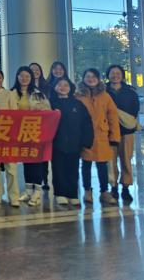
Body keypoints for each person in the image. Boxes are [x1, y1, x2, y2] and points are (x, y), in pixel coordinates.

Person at [76, 68, 120, 205]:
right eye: (88, 76)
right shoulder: (78, 96)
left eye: (94, 77)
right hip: (85, 136)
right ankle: (87, 191)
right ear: (83, 79)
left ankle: (104, 192)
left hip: (102, 135)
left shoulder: (105, 96)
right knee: (86, 165)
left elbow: (113, 117)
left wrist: (114, 137)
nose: (91, 79)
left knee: (102, 165)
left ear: (98, 79)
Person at [10, 66, 51, 206]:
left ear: (31, 78)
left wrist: (41, 109)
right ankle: (28, 191)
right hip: (20, 133)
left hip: (35, 131)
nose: (24, 78)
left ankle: (37, 192)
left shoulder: (38, 93)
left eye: (27, 76)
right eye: (21, 76)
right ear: (17, 77)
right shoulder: (12, 93)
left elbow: (48, 110)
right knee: (26, 160)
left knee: (37, 161)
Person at [49, 78, 94, 206]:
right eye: (59, 85)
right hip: (56, 143)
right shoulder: (50, 103)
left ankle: (73, 194)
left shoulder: (77, 104)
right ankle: (60, 193)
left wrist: (87, 141)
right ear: (54, 87)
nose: (63, 87)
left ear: (70, 88)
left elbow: (86, 123)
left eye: (66, 85)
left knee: (73, 169)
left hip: (75, 143)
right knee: (58, 169)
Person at [106, 64, 140, 202]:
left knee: (126, 159)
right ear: (108, 75)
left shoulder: (130, 92)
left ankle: (126, 187)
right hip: (108, 131)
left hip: (126, 131)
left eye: (118, 73)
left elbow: (135, 109)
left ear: (122, 75)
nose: (115, 76)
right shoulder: (103, 91)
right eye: (112, 73)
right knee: (111, 161)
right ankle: (113, 187)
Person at [0, 68, 20, 206]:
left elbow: (15, 114)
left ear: (3, 79)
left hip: (7, 134)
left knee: (11, 166)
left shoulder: (9, 94)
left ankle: (14, 196)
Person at [29, 62, 51, 191]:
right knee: (32, 153)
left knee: (44, 153)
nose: (35, 71)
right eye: (32, 69)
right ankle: (32, 180)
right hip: (30, 125)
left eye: (37, 69)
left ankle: (45, 180)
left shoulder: (47, 86)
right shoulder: (26, 87)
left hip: (45, 124)